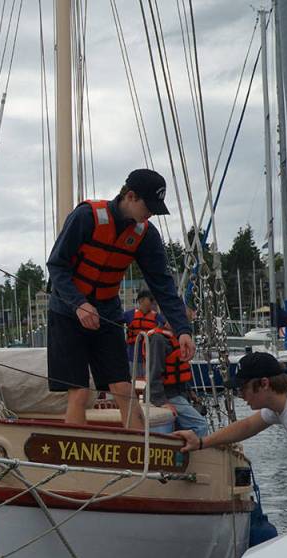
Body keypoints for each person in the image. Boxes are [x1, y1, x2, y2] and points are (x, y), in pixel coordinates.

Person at [46, 168, 195, 426]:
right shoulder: (86, 217)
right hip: (67, 313)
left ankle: (138, 455)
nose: (151, 214)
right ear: (131, 196)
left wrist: (183, 329)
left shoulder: (145, 234)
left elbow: (163, 286)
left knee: (124, 390)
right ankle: (75, 461)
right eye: (148, 206)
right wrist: (79, 303)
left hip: (107, 314)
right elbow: (57, 266)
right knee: (79, 392)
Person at [173, 352, 287, 452]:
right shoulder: (278, 404)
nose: (240, 395)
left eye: (242, 389)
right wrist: (200, 443)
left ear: (264, 383)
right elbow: (248, 426)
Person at [143, 321, 209, 436]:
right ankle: (196, 452)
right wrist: (161, 402)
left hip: (180, 393)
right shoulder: (158, 339)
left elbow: (179, 370)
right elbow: (153, 374)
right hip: (168, 395)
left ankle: (181, 452)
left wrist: (190, 392)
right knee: (200, 425)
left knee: (185, 426)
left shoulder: (177, 337)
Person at [122, 289, 164, 376]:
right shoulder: (128, 315)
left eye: (153, 300)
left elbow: (167, 326)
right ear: (141, 300)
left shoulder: (157, 317)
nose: (152, 302)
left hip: (150, 358)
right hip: (132, 357)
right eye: (150, 300)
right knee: (134, 383)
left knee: (148, 385)